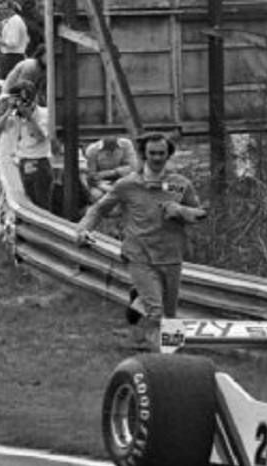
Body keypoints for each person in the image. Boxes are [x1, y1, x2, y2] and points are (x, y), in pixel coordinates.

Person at [75, 132, 208, 350]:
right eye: (152, 153)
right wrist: (82, 229)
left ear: (168, 155)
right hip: (139, 254)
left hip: (171, 255)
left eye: (161, 154)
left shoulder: (179, 184)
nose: (157, 158)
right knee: (156, 311)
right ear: (143, 155)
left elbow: (201, 213)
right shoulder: (127, 185)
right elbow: (99, 209)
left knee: (170, 311)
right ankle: (157, 355)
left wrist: (181, 210)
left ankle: (171, 352)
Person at [0, 80, 54, 210]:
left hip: (39, 163)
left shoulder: (44, 114)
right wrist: (9, 111)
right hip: (23, 162)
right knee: (27, 202)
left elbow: (40, 137)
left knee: (41, 204)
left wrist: (29, 118)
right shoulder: (16, 116)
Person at [0, 0, 29, 79]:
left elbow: (13, 43)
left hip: (13, 57)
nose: (2, 12)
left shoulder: (15, 21)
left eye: (4, 9)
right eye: (0, 9)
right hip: (9, 57)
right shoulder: (9, 21)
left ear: (11, 9)